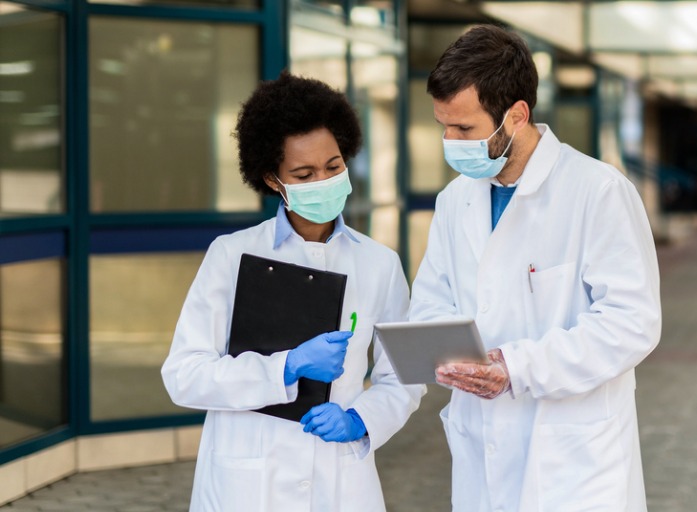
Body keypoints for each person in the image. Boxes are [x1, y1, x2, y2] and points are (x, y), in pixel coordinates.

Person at [410, 25, 662, 511]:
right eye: (444, 126)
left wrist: (518, 367)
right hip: (481, 441)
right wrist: (436, 349)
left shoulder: (597, 191)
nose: (450, 141)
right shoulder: (455, 200)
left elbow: (633, 323)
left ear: (516, 116)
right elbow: (432, 300)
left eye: (463, 129)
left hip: (572, 457)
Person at [161, 71, 424, 511]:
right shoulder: (231, 255)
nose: (323, 180)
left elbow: (404, 375)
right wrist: (286, 367)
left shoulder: (379, 264)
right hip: (248, 480)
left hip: (339, 480)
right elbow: (184, 376)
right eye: (303, 173)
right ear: (272, 179)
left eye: (333, 166)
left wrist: (361, 418)